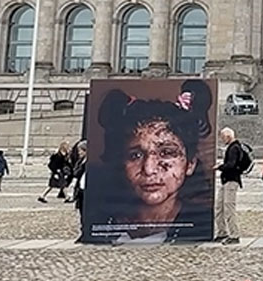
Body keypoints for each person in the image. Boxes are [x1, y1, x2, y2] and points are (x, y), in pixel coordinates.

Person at [90, 79, 215, 244]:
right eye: (135, 155)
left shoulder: (202, 223)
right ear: (121, 161)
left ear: (190, 163)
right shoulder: (100, 218)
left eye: (167, 152)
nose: (149, 169)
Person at [215, 127, 251, 245]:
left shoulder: (234, 148)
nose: (221, 139)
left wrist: (219, 167)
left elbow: (231, 165)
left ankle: (234, 235)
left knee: (229, 208)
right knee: (219, 207)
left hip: (231, 181)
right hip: (226, 180)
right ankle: (222, 232)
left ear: (228, 137)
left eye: (222, 137)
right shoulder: (233, 147)